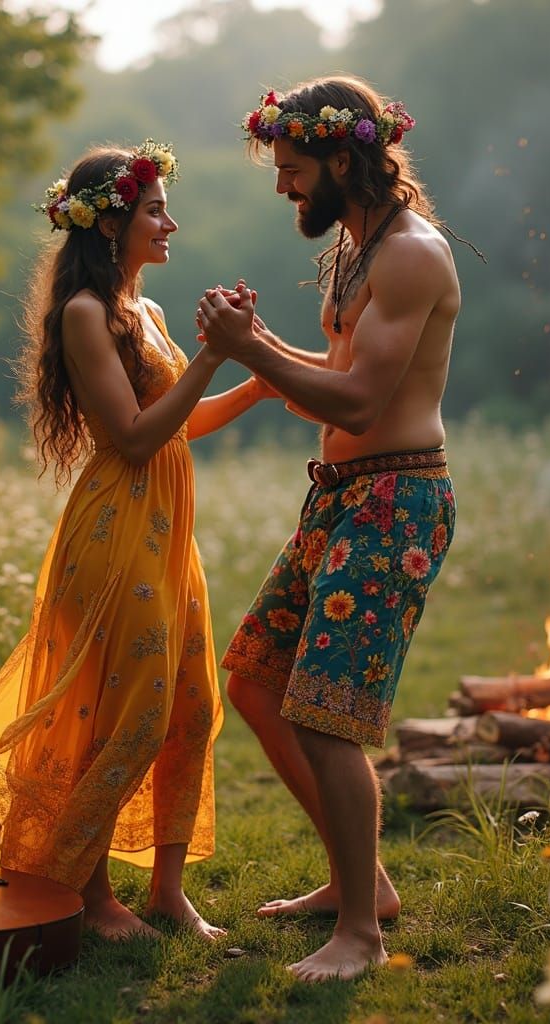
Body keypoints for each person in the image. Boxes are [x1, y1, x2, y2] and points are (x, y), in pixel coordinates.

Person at [0, 141, 270, 941]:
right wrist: (215, 355)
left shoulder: (144, 310)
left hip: (167, 530)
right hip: (118, 529)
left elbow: (181, 422)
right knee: (128, 713)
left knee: (189, 705)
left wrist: (255, 377)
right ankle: (90, 898)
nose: (170, 223)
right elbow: (133, 436)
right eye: (155, 211)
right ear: (112, 222)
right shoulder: (85, 312)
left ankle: (168, 892)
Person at [195, 75, 460, 980]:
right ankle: (366, 885)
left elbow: (361, 395)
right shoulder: (356, 248)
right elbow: (338, 362)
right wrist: (266, 353)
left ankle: (361, 936)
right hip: (340, 497)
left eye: (294, 168)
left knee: (326, 717)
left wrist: (251, 349)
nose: (284, 188)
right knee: (257, 679)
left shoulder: (412, 254)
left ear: (343, 157)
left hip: (397, 501)